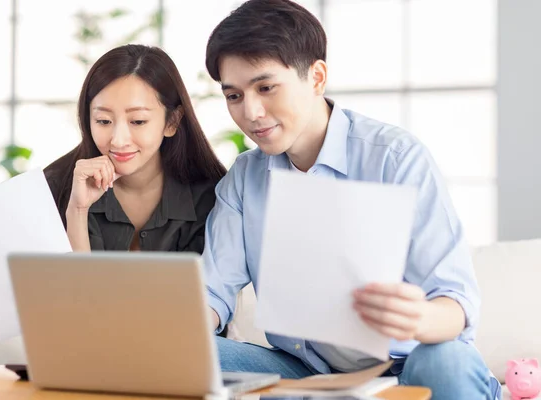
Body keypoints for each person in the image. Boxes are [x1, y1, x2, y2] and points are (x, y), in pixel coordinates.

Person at [201, 1, 499, 398]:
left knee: (446, 360)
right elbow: (212, 293)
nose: (251, 112)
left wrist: (418, 317)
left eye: (266, 87)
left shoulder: (395, 158)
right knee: (196, 354)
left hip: (407, 365)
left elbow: (456, 306)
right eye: (234, 96)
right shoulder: (245, 177)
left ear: (317, 77)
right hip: (305, 368)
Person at [44, 44, 226, 254]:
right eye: (103, 121)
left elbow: (214, 285)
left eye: (138, 121)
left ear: (172, 122)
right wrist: (77, 210)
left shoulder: (212, 197)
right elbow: (69, 286)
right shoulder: (54, 188)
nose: (119, 141)